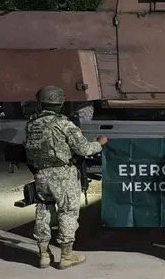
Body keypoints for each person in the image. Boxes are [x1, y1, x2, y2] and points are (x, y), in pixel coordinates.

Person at [24, 86, 107, 269]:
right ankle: (66, 256)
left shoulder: (32, 124)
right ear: (60, 103)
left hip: (41, 174)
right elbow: (84, 149)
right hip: (63, 175)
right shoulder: (64, 124)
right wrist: (99, 144)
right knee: (67, 212)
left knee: (43, 211)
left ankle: (43, 255)